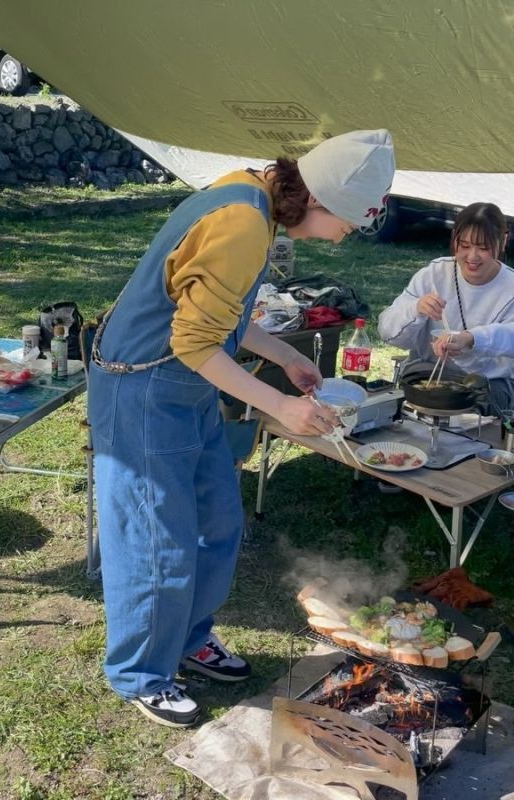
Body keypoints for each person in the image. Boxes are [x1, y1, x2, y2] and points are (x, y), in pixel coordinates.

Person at [88, 129, 395, 728]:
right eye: (349, 224)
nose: (344, 237)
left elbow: (217, 314)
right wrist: (279, 407)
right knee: (158, 539)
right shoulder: (241, 223)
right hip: (144, 388)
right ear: (321, 199)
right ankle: (141, 672)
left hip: (185, 382)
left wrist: (282, 354)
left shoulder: (250, 196)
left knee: (217, 520)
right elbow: (197, 341)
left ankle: (187, 638)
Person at [378, 202, 514, 412]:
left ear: (503, 241)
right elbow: (388, 333)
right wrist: (416, 309)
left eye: (484, 247)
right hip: (427, 370)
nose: (472, 256)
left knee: (474, 413)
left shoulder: (510, 288)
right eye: (465, 245)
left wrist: (470, 338)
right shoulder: (434, 274)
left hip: (486, 384)